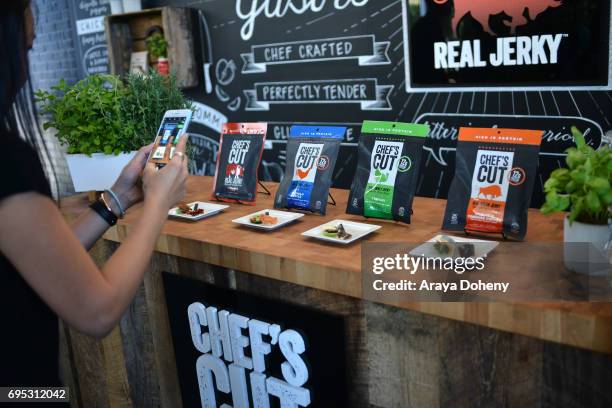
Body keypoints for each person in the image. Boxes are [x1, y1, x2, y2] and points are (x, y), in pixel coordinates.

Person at [0, 0, 189, 389]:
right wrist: (158, 204)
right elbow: (97, 311)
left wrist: (116, 199)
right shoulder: (7, 162)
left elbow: (40, 259)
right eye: (26, 47)